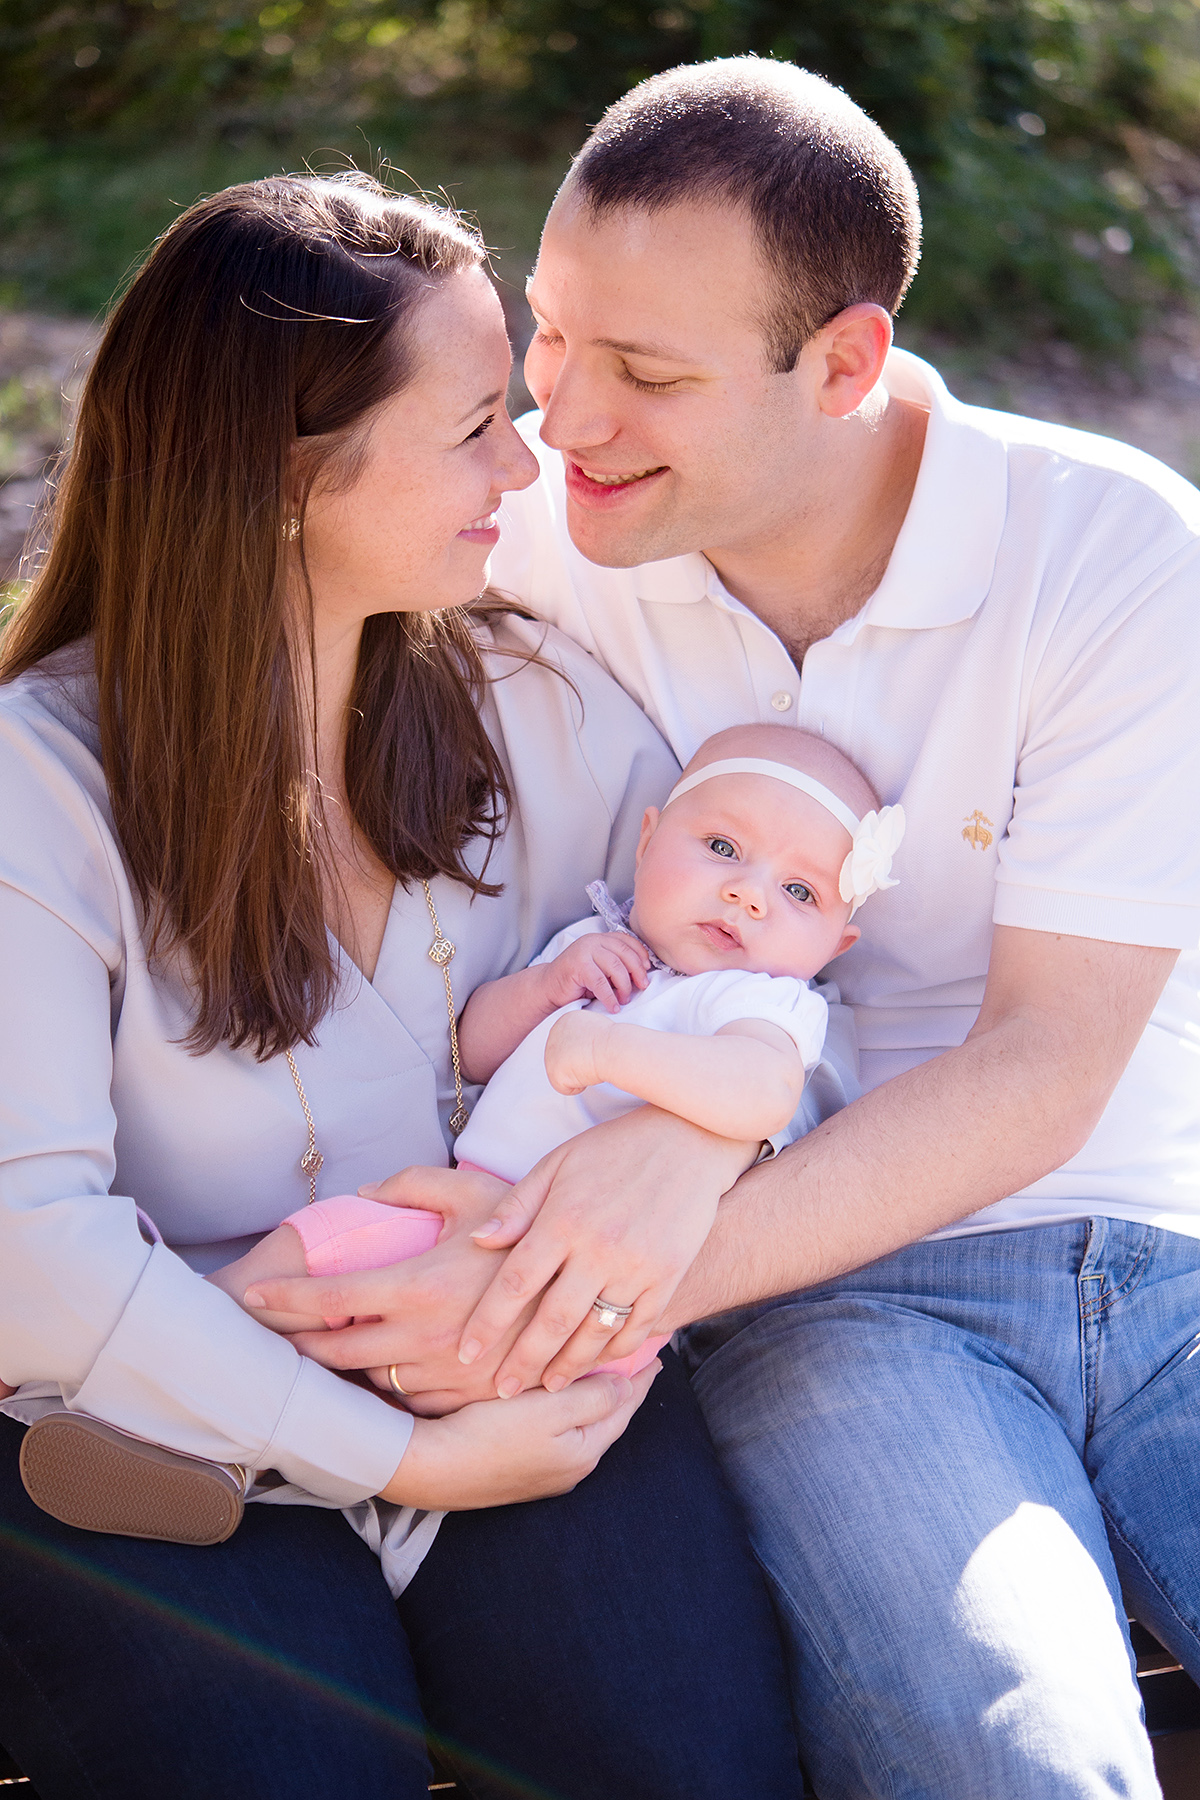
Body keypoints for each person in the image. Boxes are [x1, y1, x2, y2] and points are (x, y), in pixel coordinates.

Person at [249, 59, 1200, 1800]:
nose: (561, 420)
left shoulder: (1112, 549)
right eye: (551, 335)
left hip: (1172, 1262)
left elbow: (1049, 1060)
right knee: (1019, 1756)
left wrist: (633, 1229)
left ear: (841, 363)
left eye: (649, 374)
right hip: (845, 1299)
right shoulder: (526, 535)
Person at [0, 170, 807, 1800]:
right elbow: (31, 1256)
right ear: (283, 477)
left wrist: (691, 1142)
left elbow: (762, 979)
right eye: (470, 430)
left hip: (515, 1368)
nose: (529, 463)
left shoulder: (539, 707)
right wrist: (407, 1453)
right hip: (151, 1432)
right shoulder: (36, 787)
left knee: (683, 1761)